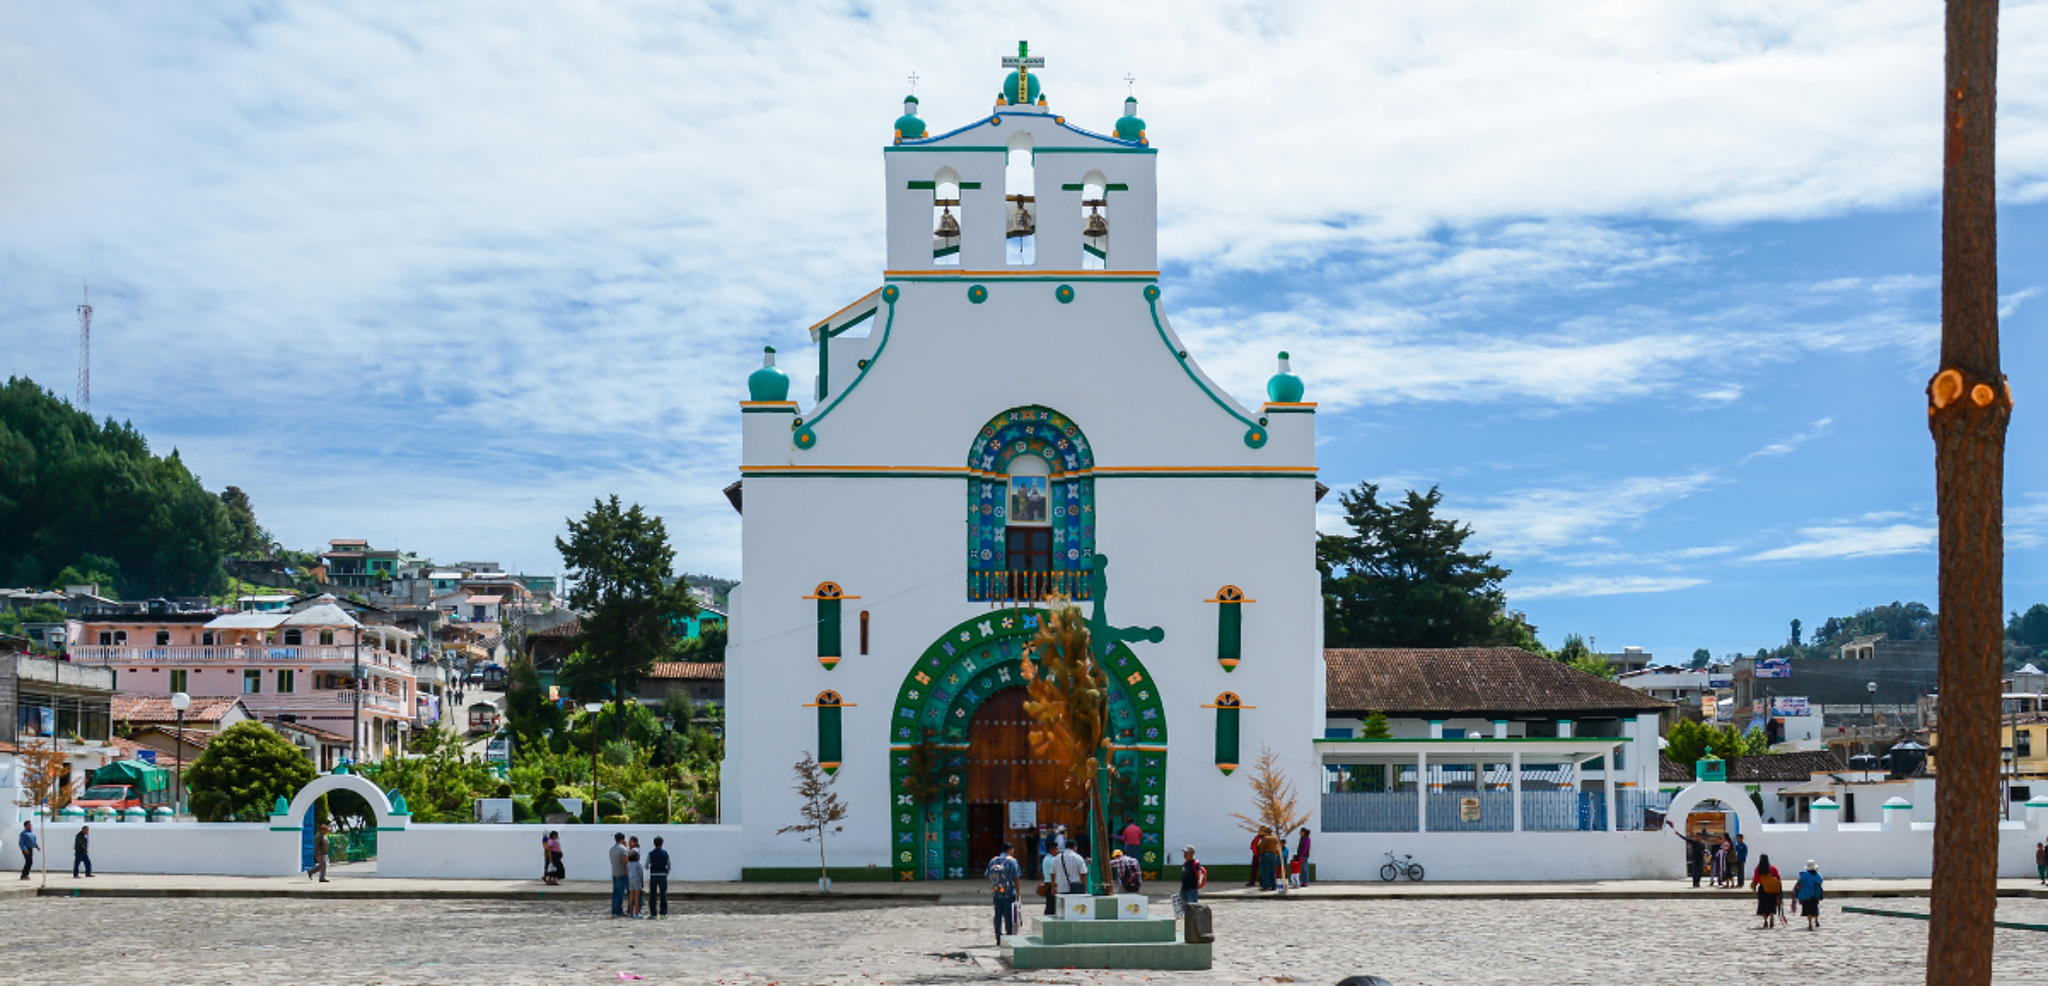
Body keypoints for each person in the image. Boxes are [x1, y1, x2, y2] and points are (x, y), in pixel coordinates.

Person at [986, 843, 1021, 945]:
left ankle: (998, 937)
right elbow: (1016, 879)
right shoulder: (1012, 861)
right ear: (1009, 850)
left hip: (996, 892)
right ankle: (1009, 935)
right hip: (1009, 893)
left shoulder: (993, 860)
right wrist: (1018, 893)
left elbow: (988, 876)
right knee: (1008, 915)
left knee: (997, 915)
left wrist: (996, 884)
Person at [1667, 821, 1705, 887]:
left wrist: (1705, 853)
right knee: (1694, 871)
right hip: (1694, 858)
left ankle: (1698, 882)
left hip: (1700, 859)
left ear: (1700, 837)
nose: (1697, 837)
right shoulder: (1694, 842)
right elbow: (1686, 839)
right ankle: (1695, 883)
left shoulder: (1702, 844)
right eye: (1696, 836)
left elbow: (1703, 850)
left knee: (1700, 871)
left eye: (1698, 836)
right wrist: (1679, 835)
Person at [1750, 853, 1783, 929]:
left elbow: (1755, 880)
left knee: (1763, 905)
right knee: (1772, 904)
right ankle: (1771, 916)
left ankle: (1765, 920)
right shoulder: (1773, 868)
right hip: (1772, 889)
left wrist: (1754, 885)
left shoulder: (1758, 869)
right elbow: (1778, 877)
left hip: (1763, 889)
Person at [1793, 860, 1824, 930]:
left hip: (1806, 895)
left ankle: (1810, 924)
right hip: (1815, 895)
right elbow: (1821, 881)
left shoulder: (1804, 875)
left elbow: (1800, 882)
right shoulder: (1817, 875)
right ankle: (1816, 920)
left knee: (1808, 910)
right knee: (1815, 907)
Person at [647, 836, 671, 919]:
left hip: (653, 875)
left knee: (653, 895)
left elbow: (646, 865)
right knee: (663, 894)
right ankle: (663, 913)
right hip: (663, 875)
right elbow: (669, 865)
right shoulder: (665, 853)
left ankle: (653, 913)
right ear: (662, 843)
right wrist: (666, 872)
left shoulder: (651, 853)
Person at [608, 832, 629, 917]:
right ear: (623, 839)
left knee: (615, 893)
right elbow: (625, 862)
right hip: (622, 873)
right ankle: (618, 911)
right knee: (620, 893)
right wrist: (627, 872)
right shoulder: (622, 849)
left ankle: (614, 910)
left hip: (614, 872)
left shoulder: (612, 849)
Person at [1040, 843, 1061, 916]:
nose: (1058, 851)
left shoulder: (1047, 858)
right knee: (1051, 905)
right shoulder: (1052, 860)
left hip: (1049, 883)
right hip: (1051, 884)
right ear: (1051, 850)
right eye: (1056, 849)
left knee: (1051, 904)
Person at [625, 848, 645, 918]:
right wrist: (642, 882)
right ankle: (637, 912)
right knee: (637, 897)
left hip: (630, 880)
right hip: (637, 880)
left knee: (631, 896)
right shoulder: (638, 864)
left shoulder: (629, 864)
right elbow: (641, 874)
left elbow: (627, 872)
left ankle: (630, 912)